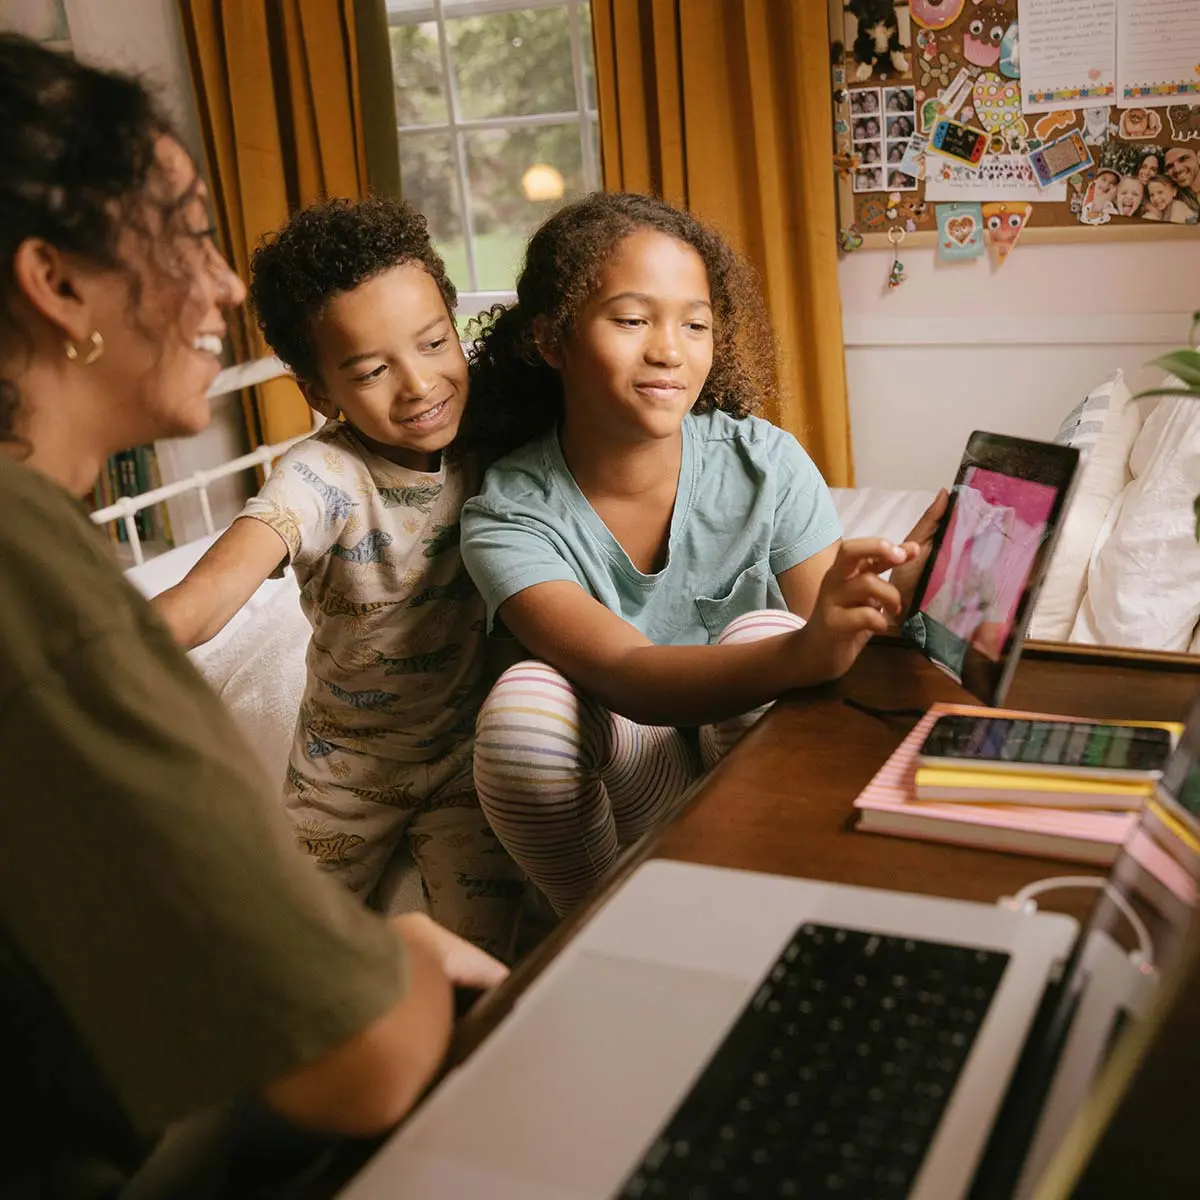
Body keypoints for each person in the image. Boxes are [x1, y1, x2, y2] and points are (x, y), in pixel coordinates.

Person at [0, 34, 505, 1195]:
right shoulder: (31, 567)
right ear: (57, 284)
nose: (226, 285)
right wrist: (399, 955)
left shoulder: (44, 546)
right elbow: (358, 1069)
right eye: (183, 235)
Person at [456, 192, 943, 915]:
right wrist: (808, 648)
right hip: (628, 774)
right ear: (552, 341)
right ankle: (598, 928)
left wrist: (887, 597)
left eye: (695, 324)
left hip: (750, 760)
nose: (668, 349)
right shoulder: (510, 513)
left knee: (765, 629)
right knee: (525, 709)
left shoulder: (765, 463)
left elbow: (831, 651)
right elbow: (628, 673)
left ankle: (753, 885)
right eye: (631, 320)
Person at [153, 197, 523, 958]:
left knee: (487, 959)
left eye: (432, 343)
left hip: (466, 755)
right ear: (321, 394)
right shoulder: (321, 477)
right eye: (372, 369)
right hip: (346, 768)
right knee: (285, 953)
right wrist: (89, 652)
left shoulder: (497, 429)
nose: (419, 384)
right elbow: (214, 590)